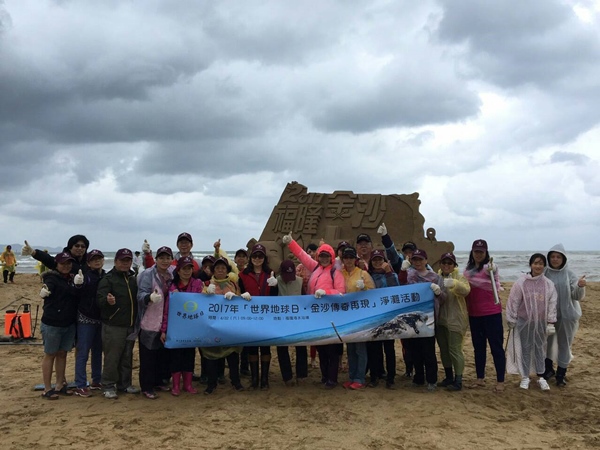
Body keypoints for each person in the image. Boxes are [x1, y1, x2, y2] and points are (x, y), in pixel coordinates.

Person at [283, 232, 346, 389]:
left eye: (326, 256)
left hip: (331, 316)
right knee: (321, 348)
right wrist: (291, 242)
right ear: (318, 257)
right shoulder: (315, 267)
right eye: (321, 256)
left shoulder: (335, 272)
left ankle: (332, 379)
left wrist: (327, 293)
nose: (324, 259)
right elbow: (302, 256)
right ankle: (325, 377)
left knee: (331, 349)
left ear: (331, 257)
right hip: (316, 315)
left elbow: (341, 292)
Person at [506, 253, 558, 391]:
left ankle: (541, 376)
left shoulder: (547, 284)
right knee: (525, 348)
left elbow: (552, 302)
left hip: (540, 321)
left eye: (541, 264)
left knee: (540, 348)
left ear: (544, 266)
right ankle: (525, 377)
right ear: (531, 265)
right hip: (524, 321)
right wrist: (511, 318)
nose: (538, 266)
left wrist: (551, 321)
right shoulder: (521, 282)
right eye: (535, 263)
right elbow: (514, 301)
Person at [463, 239, 506, 392]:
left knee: (496, 348)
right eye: (476, 251)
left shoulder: (490, 267)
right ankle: (480, 378)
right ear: (472, 252)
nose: (478, 254)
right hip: (474, 314)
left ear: (486, 253)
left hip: (492, 313)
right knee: (478, 348)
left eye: (481, 252)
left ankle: (500, 380)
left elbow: (495, 276)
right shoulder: (467, 270)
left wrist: (492, 269)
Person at [97, 248, 139, 399]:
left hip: (130, 325)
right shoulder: (108, 279)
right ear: (115, 261)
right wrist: (108, 301)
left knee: (127, 357)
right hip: (113, 325)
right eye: (122, 260)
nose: (125, 263)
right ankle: (108, 385)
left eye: (128, 260)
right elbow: (100, 300)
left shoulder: (133, 279)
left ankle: (124, 384)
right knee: (112, 357)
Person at [39, 252, 82, 399]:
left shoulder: (72, 279)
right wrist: (44, 291)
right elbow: (47, 286)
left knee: (62, 354)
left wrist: (78, 285)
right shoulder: (52, 278)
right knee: (50, 354)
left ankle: (59, 384)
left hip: (68, 323)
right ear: (57, 264)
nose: (66, 266)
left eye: (69, 263)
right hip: (52, 323)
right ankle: (47, 388)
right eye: (63, 263)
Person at [543, 244, 587, 387]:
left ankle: (561, 374)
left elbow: (576, 296)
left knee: (564, 345)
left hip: (567, 316)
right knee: (547, 344)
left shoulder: (570, 274)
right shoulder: (544, 273)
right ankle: (548, 370)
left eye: (558, 257)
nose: (555, 259)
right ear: (549, 258)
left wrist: (580, 286)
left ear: (563, 259)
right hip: (548, 316)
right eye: (553, 257)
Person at [376, 223, 416, 378]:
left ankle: (418, 371)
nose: (409, 254)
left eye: (411, 251)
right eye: (406, 251)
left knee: (419, 342)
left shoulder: (426, 268)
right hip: (402, 309)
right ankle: (408, 370)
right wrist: (385, 237)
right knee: (405, 342)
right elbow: (391, 254)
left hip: (419, 308)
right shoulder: (400, 264)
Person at [237, 244, 278, 390]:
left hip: (266, 315)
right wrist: (242, 295)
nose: (257, 259)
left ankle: (265, 379)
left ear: (264, 258)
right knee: (252, 348)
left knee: (266, 348)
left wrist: (275, 285)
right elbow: (239, 292)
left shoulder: (271, 273)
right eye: (255, 256)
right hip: (250, 316)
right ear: (251, 258)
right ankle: (254, 379)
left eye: (260, 256)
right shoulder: (242, 274)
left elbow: (275, 297)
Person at [202, 257, 245, 394]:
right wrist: (206, 293)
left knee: (233, 357)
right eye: (218, 268)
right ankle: (211, 384)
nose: (220, 270)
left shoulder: (233, 284)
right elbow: (199, 303)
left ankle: (235, 381)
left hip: (229, 326)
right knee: (211, 357)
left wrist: (240, 297)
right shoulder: (207, 284)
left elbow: (239, 302)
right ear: (213, 270)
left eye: (223, 268)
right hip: (212, 326)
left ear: (227, 270)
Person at [162, 256, 203, 396]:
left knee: (189, 356)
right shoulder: (172, 287)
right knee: (176, 356)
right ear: (178, 271)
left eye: (189, 268)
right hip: (176, 329)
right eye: (184, 269)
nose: (187, 271)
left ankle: (188, 384)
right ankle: (175, 386)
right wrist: (164, 330)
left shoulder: (198, 284)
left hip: (192, 327)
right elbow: (167, 311)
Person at [137, 246, 174, 399]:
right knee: (148, 356)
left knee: (162, 355)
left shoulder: (172, 273)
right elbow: (140, 294)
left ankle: (159, 381)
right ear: (156, 259)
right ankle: (146, 387)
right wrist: (149, 297)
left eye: (167, 258)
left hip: (166, 321)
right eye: (162, 258)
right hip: (149, 320)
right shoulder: (147, 274)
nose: (165, 261)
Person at [405, 249, 444, 391]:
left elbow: (444, 298)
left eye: (420, 259)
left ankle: (432, 380)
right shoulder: (409, 276)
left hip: (429, 318)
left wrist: (438, 293)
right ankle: (418, 378)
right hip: (413, 318)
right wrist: (403, 272)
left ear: (426, 261)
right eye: (415, 260)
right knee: (415, 350)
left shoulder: (435, 277)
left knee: (428, 351)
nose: (418, 262)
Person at [340, 246, 375, 390]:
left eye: (351, 257)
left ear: (355, 259)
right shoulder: (339, 273)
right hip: (345, 317)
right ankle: (352, 376)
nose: (348, 260)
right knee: (350, 349)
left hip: (360, 316)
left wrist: (364, 289)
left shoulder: (363, 274)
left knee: (360, 349)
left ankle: (360, 378)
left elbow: (373, 293)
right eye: (346, 257)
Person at [73, 249, 106, 397]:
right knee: (83, 352)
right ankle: (80, 384)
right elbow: (77, 292)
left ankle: (96, 380)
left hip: (101, 319)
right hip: (85, 318)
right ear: (88, 262)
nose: (97, 261)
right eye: (93, 259)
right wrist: (78, 285)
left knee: (98, 351)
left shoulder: (106, 276)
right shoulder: (85, 277)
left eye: (99, 258)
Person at [436, 252, 470, 391]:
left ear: (454, 265)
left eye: (450, 263)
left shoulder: (460, 277)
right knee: (444, 350)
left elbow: (466, 290)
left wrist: (454, 284)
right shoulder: (436, 278)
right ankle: (449, 376)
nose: (446, 265)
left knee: (455, 349)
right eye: (444, 262)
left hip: (456, 320)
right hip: (440, 320)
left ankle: (458, 379)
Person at [367, 249, 400, 389]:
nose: (377, 262)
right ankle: (375, 376)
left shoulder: (390, 275)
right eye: (375, 260)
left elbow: (396, 289)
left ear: (385, 261)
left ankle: (391, 378)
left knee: (389, 349)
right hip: (373, 317)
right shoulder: (368, 275)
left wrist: (388, 272)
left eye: (380, 259)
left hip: (388, 317)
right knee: (374, 349)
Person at [275, 259, 308, 387]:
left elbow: (305, 300)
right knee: (282, 348)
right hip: (281, 321)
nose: (289, 279)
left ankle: (302, 375)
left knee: (301, 346)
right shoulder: (276, 281)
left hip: (297, 320)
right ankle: (287, 376)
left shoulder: (299, 281)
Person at [295, 243, 319, 368]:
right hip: (303, 303)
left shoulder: (320, 267)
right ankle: (310, 359)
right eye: (309, 251)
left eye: (314, 251)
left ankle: (314, 358)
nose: (311, 253)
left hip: (317, 302)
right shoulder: (300, 267)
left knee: (317, 333)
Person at [22, 235, 90, 275]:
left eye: (83, 246)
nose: (80, 248)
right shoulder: (62, 260)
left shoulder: (89, 261)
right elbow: (49, 259)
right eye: (77, 246)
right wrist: (34, 253)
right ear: (70, 247)